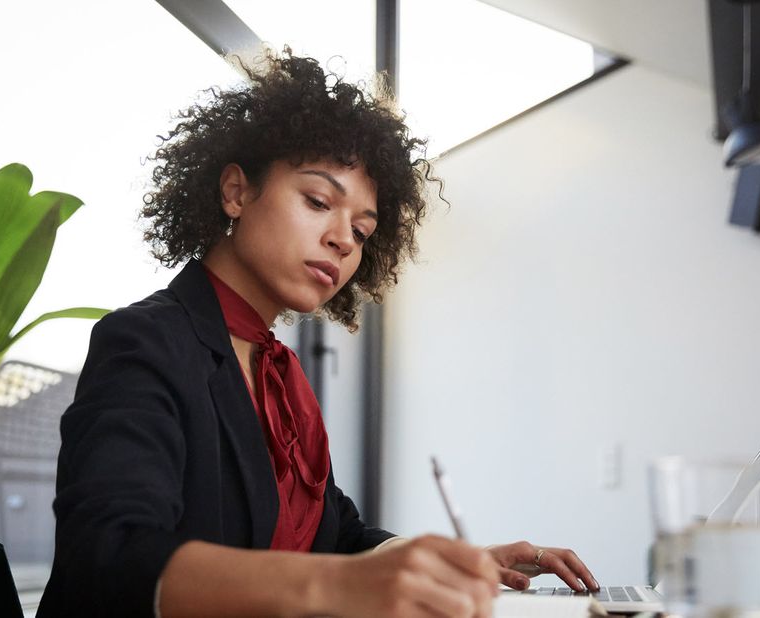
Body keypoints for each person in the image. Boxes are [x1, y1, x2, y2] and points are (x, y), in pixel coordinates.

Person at [36, 49, 598, 618]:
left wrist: (447, 564)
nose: (344, 240)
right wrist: (332, 587)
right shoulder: (144, 341)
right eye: (318, 201)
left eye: (361, 228)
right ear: (236, 192)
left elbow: (334, 533)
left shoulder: (277, 374)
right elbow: (107, 556)